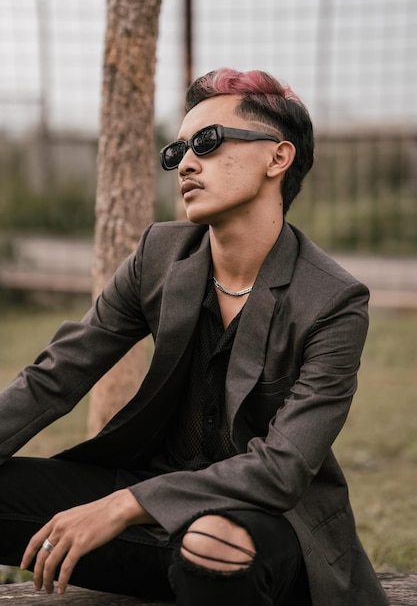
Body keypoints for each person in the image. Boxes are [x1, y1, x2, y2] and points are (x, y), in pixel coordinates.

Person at [0, 68, 388, 606]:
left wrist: (124, 504)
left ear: (278, 157)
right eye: (177, 149)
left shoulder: (333, 302)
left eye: (207, 142)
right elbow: (54, 378)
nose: (184, 162)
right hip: (150, 512)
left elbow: (282, 470)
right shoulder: (159, 255)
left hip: (261, 531)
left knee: (211, 544)